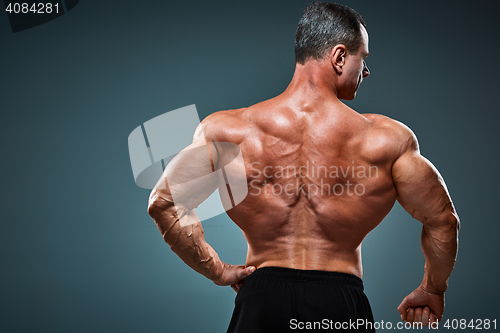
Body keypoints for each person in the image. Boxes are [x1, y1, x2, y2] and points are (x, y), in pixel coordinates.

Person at [147, 2, 460, 332]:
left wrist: (218, 271)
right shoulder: (385, 140)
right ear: (340, 57)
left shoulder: (228, 131)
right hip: (340, 304)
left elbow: (164, 203)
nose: (365, 71)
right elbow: (443, 220)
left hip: (261, 299)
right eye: (363, 58)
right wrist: (433, 289)